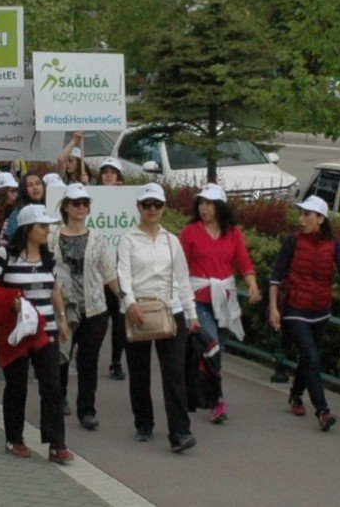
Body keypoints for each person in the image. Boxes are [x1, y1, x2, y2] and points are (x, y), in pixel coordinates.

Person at [0, 205, 74, 464]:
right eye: (42, 226)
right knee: (17, 386)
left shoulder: (48, 256)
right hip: (17, 330)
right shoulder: (5, 255)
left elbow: (53, 288)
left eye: (48, 226)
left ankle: (57, 444)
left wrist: (62, 318)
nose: (47, 230)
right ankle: (14, 438)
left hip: (46, 330)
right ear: (27, 229)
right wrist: (13, 300)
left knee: (52, 387)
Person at [269, 195, 340, 431]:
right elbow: (275, 277)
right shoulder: (292, 242)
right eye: (301, 213)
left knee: (308, 358)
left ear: (320, 219)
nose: (301, 219)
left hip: (321, 310)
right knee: (312, 357)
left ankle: (295, 394)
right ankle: (322, 411)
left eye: (307, 215)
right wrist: (273, 308)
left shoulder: (334, 244)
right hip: (295, 310)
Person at [117, 182, 200, 453]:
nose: (152, 210)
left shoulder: (170, 240)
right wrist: (130, 304)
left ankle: (180, 431)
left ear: (164, 208)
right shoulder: (128, 239)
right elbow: (123, 276)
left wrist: (191, 314)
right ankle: (143, 422)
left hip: (169, 310)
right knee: (139, 372)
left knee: (174, 373)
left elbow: (183, 280)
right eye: (147, 205)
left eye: (157, 205)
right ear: (139, 208)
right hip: (138, 311)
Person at [179, 183, 260, 423]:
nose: (204, 208)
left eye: (210, 204)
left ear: (220, 207)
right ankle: (218, 400)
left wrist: (253, 284)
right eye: (201, 203)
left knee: (218, 351)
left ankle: (199, 390)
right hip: (199, 299)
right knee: (211, 346)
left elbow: (243, 263)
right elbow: (180, 267)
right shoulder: (190, 232)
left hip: (224, 301)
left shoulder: (233, 233)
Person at [51, 184, 118, 430]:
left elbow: (108, 271)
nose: (81, 207)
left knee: (89, 361)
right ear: (66, 206)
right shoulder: (52, 237)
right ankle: (59, 398)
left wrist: (123, 297)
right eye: (76, 203)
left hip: (95, 309)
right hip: (64, 309)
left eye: (85, 203)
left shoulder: (98, 238)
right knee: (61, 357)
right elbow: (48, 272)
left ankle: (87, 410)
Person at [94, 157, 128, 380]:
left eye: (113, 172)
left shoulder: (129, 199)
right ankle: (90, 358)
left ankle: (116, 361)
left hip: (119, 269)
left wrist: (123, 195)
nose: (108, 175)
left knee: (119, 319)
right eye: (104, 172)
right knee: (96, 320)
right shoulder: (90, 198)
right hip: (96, 270)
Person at [3, 172, 46, 245]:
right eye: (30, 185)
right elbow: (11, 239)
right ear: (24, 189)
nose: (35, 187)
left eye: (38, 183)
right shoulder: (19, 212)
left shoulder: (49, 208)